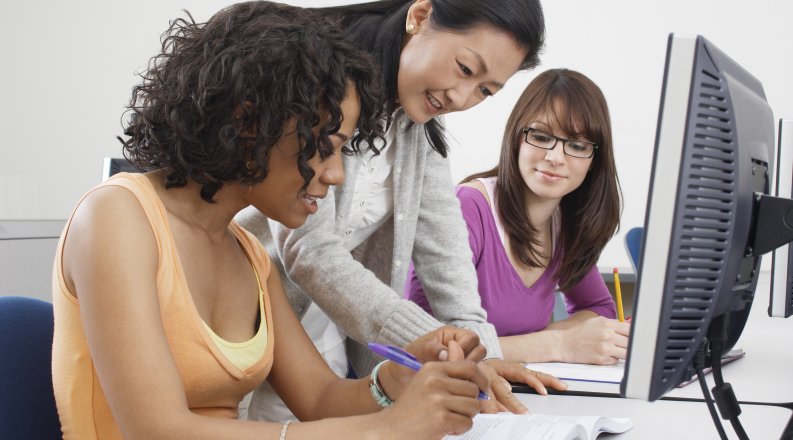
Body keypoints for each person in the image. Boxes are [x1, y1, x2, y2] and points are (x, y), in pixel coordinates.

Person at [51, 3, 496, 439]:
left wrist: (390, 383)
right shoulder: (116, 217)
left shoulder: (247, 253)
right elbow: (157, 430)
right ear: (249, 122)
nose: (337, 174)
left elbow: (321, 398)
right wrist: (386, 429)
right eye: (327, 145)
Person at [235, 0, 565, 421]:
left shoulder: (417, 126)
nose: (461, 97)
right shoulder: (318, 85)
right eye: (465, 68)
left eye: (485, 91)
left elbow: (447, 260)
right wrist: (440, 345)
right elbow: (311, 253)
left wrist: (484, 356)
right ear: (420, 16)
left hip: (316, 341)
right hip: (245, 322)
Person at [406, 68, 630, 365]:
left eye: (577, 146)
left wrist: (557, 342)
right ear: (516, 138)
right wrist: (556, 345)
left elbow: (599, 308)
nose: (555, 157)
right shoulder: (466, 208)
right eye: (540, 136)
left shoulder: (566, 222)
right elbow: (429, 345)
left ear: (594, 161)